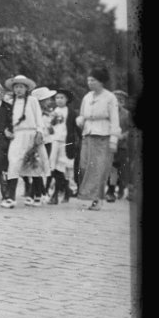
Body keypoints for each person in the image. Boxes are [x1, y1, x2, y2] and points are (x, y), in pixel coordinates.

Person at [1, 74, 50, 209]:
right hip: (17, 136)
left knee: (32, 164)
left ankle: (36, 195)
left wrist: (39, 132)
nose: (18, 90)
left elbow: (38, 118)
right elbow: (8, 121)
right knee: (14, 163)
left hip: (31, 134)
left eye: (21, 87)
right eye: (16, 87)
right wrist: (7, 131)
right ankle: (11, 197)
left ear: (26, 88)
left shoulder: (32, 101)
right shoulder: (11, 103)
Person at [75, 66, 121, 211]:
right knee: (84, 165)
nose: (90, 82)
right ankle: (87, 195)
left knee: (98, 168)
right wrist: (80, 120)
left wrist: (114, 139)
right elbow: (82, 113)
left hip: (103, 135)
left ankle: (97, 199)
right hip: (88, 133)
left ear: (101, 82)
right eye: (88, 80)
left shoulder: (110, 97)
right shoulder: (87, 97)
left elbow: (115, 119)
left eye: (93, 80)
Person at [47, 88, 80, 204]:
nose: (59, 100)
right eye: (57, 98)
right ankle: (61, 192)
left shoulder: (71, 112)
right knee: (54, 168)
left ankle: (60, 193)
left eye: (62, 98)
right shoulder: (52, 111)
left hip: (65, 143)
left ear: (67, 100)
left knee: (61, 168)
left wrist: (78, 141)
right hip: (54, 142)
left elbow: (76, 128)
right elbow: (50, 127)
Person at [106, 89, 131, 202]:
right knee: (112, 168)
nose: (117, 103)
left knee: (121, 168)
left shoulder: (127, 114)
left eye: (120, 100)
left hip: (122, 145)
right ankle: (110, 191)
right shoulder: (108, 112)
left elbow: (131, 129)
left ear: (124, 102)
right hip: (109, 143)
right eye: (115, 100)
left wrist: (123, 136)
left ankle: (121, 189)